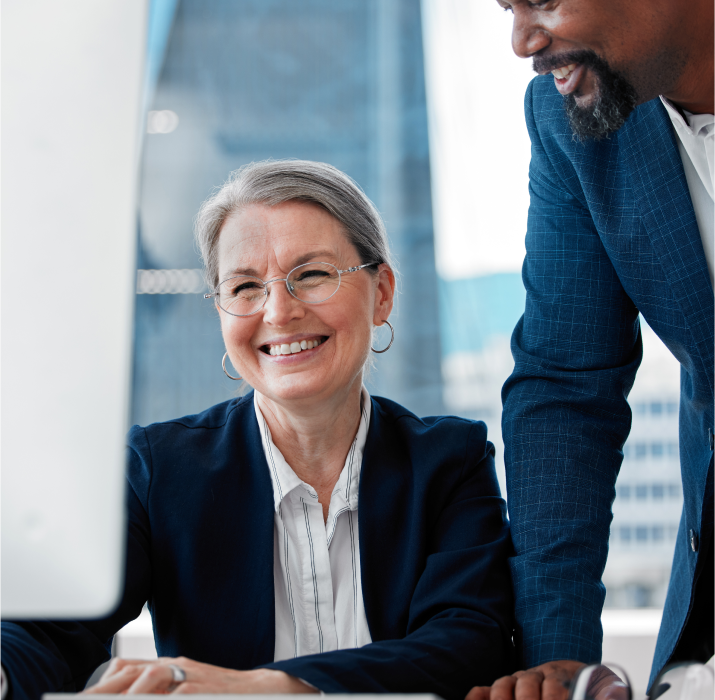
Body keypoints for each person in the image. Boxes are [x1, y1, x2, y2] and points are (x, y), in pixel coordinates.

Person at [0, 160, 514, 700]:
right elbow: (52, 629)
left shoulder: (450, 460)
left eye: (312, 275)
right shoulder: (158, 469)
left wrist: (268, 688)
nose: (279, 311)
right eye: (245, 287)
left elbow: (468, 645)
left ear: (381, 292)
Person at [466, 1, 715, 699]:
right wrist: (560, 665)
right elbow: (566, 385)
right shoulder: (566, 119)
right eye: (506, 7)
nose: (522, 41)